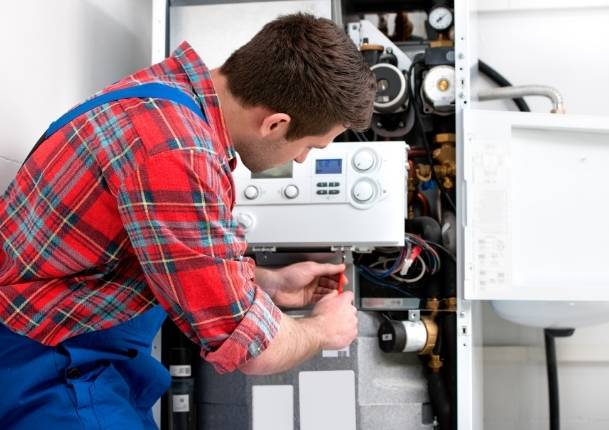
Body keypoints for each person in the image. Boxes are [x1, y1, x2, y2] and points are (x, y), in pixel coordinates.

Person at [0, 13, 375, 429]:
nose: (304, 159)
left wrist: (269, 285)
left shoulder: (164, 95)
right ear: (275, 124)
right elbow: (254, 351)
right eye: (310, 146)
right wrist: (325, 328)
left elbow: (167, 259)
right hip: (50, 364)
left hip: (72, 347)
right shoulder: (176, 154)